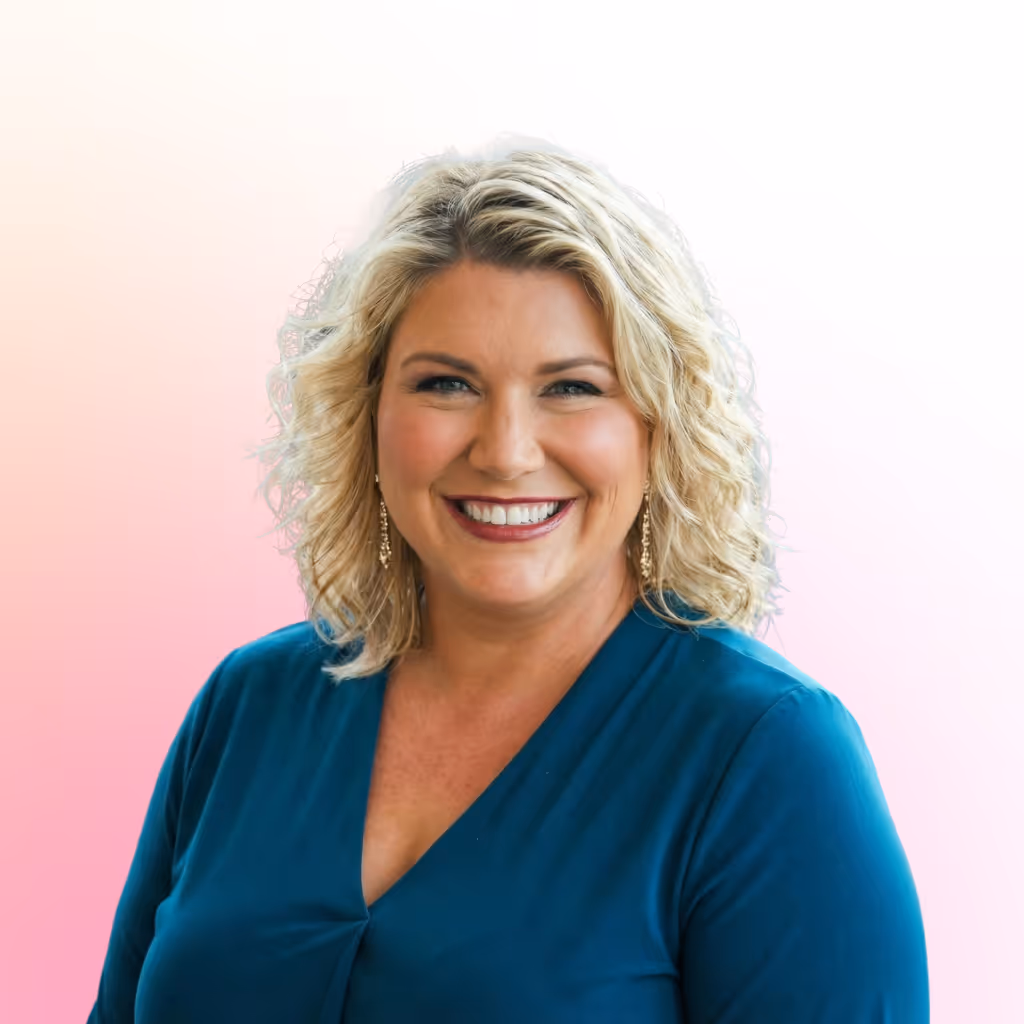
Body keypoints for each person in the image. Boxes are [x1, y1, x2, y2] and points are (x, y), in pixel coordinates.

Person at [88, 138, 929, 1022]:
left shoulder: (767, 758)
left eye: (571, 389)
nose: (506, 451)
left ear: (656, 425)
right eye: (447, 384)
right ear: (368, 414)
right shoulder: (247, 707)